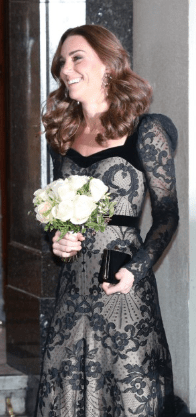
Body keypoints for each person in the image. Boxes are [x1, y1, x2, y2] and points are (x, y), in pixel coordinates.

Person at [36, 25, 177, 416]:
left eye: (77, 57)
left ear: (109, 64)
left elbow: (167, 214)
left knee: (129, 399)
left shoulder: (146, 130)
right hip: (73, 293)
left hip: (124, 290)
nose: (67, 68)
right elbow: (54, 213)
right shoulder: (61, 136)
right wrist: (56, 240)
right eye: (62, 61)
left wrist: (137, 269)